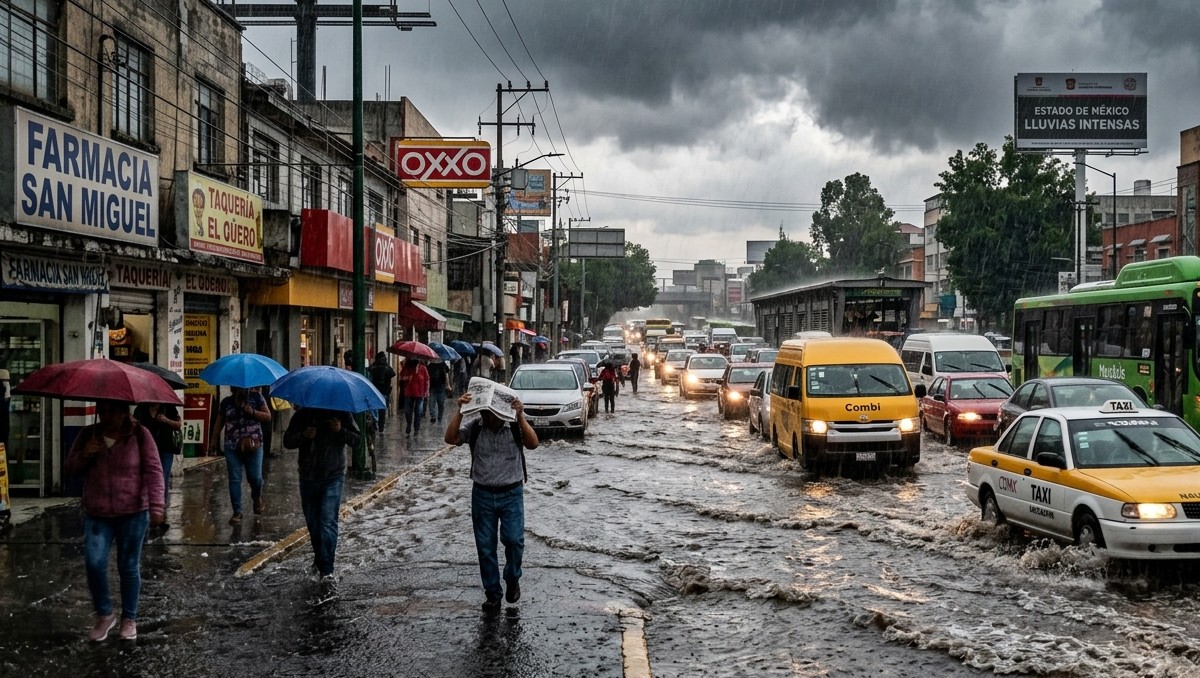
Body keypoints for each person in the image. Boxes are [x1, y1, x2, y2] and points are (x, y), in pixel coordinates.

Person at [65, 400, 164, 642]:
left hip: (133, 512)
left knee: (128, 566)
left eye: (112, 411)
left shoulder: (140, 435)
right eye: (102, 411)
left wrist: (157, 506)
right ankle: (105, 614)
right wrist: (85, 454)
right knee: (94, 562)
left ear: (124, 412)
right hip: (97, 513)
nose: (106, 416)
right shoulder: (88, 435)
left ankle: (129, 618)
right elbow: (70, 469)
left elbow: (154, 470)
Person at [444, 392, 538, 611]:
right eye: (484, 413)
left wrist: (520, 416)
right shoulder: (475, 427)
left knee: (514, 540)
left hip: (511, 492)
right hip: (482, 494)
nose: (488, 418)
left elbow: (533, 443)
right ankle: (492, 593)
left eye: (491, 414)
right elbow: (450, 438)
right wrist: (460, 410)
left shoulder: (514, 426)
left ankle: (512, 578)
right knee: (485, 546)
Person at [283, 406, 360, 582]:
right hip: (308, 477)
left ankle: (327, 569)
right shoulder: (303, 414)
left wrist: (340, 430)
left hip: (333, 476)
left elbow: (356, 440)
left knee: (327, 521)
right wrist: (304, 435)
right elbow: (287, 441)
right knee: (313, 524)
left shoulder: (342, 412)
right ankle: (320, 558)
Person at [211, 386, 271, 525]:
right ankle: (237, 511)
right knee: (235, 479)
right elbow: (219, 422)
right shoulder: (226, 402)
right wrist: (213, 441)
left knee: (255, 478)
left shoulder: (257, 398)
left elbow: (268, 416)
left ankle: (256, 497)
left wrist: (252, 412)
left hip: (254, 445)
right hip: (232, 446)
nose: (240, 390)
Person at [132, 401, 182, 534]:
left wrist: (165, 420)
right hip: (146, 449)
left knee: (162, 480)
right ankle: (147, 511)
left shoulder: (169, 407)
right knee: (145, 480)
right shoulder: (141, 408)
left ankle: (159, 512)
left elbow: (178, 424)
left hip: (165, 449)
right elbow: (134, 425)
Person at [400, 358, 430, 436]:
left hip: (420, 393)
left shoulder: (423, 368)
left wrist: (426, 391)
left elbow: (427, 379)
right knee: (407, 411)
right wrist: (408, 377)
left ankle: (416, 428)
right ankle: (409, 424)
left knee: (418, 411)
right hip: (409, 392)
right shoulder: (406, 367)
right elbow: (402, 377)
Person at [367, 352, 396, 431]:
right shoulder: (386, 367)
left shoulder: (373, 366)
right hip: (384, 391)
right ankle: (381, 426)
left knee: (374, 408)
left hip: (375, 391)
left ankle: (375, 423)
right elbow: (393, 373)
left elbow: (369, 371)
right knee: (382, 410)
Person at [427, 359, 450, 425]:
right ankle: (437, 417)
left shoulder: (430, 365)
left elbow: (446, 375)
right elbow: (446, 375)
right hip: (438, 386)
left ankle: (435, 417)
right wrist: (448, 385)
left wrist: (448, 384)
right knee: (440, 403)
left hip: (436, 386)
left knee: (434, 402)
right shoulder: (443, 364)